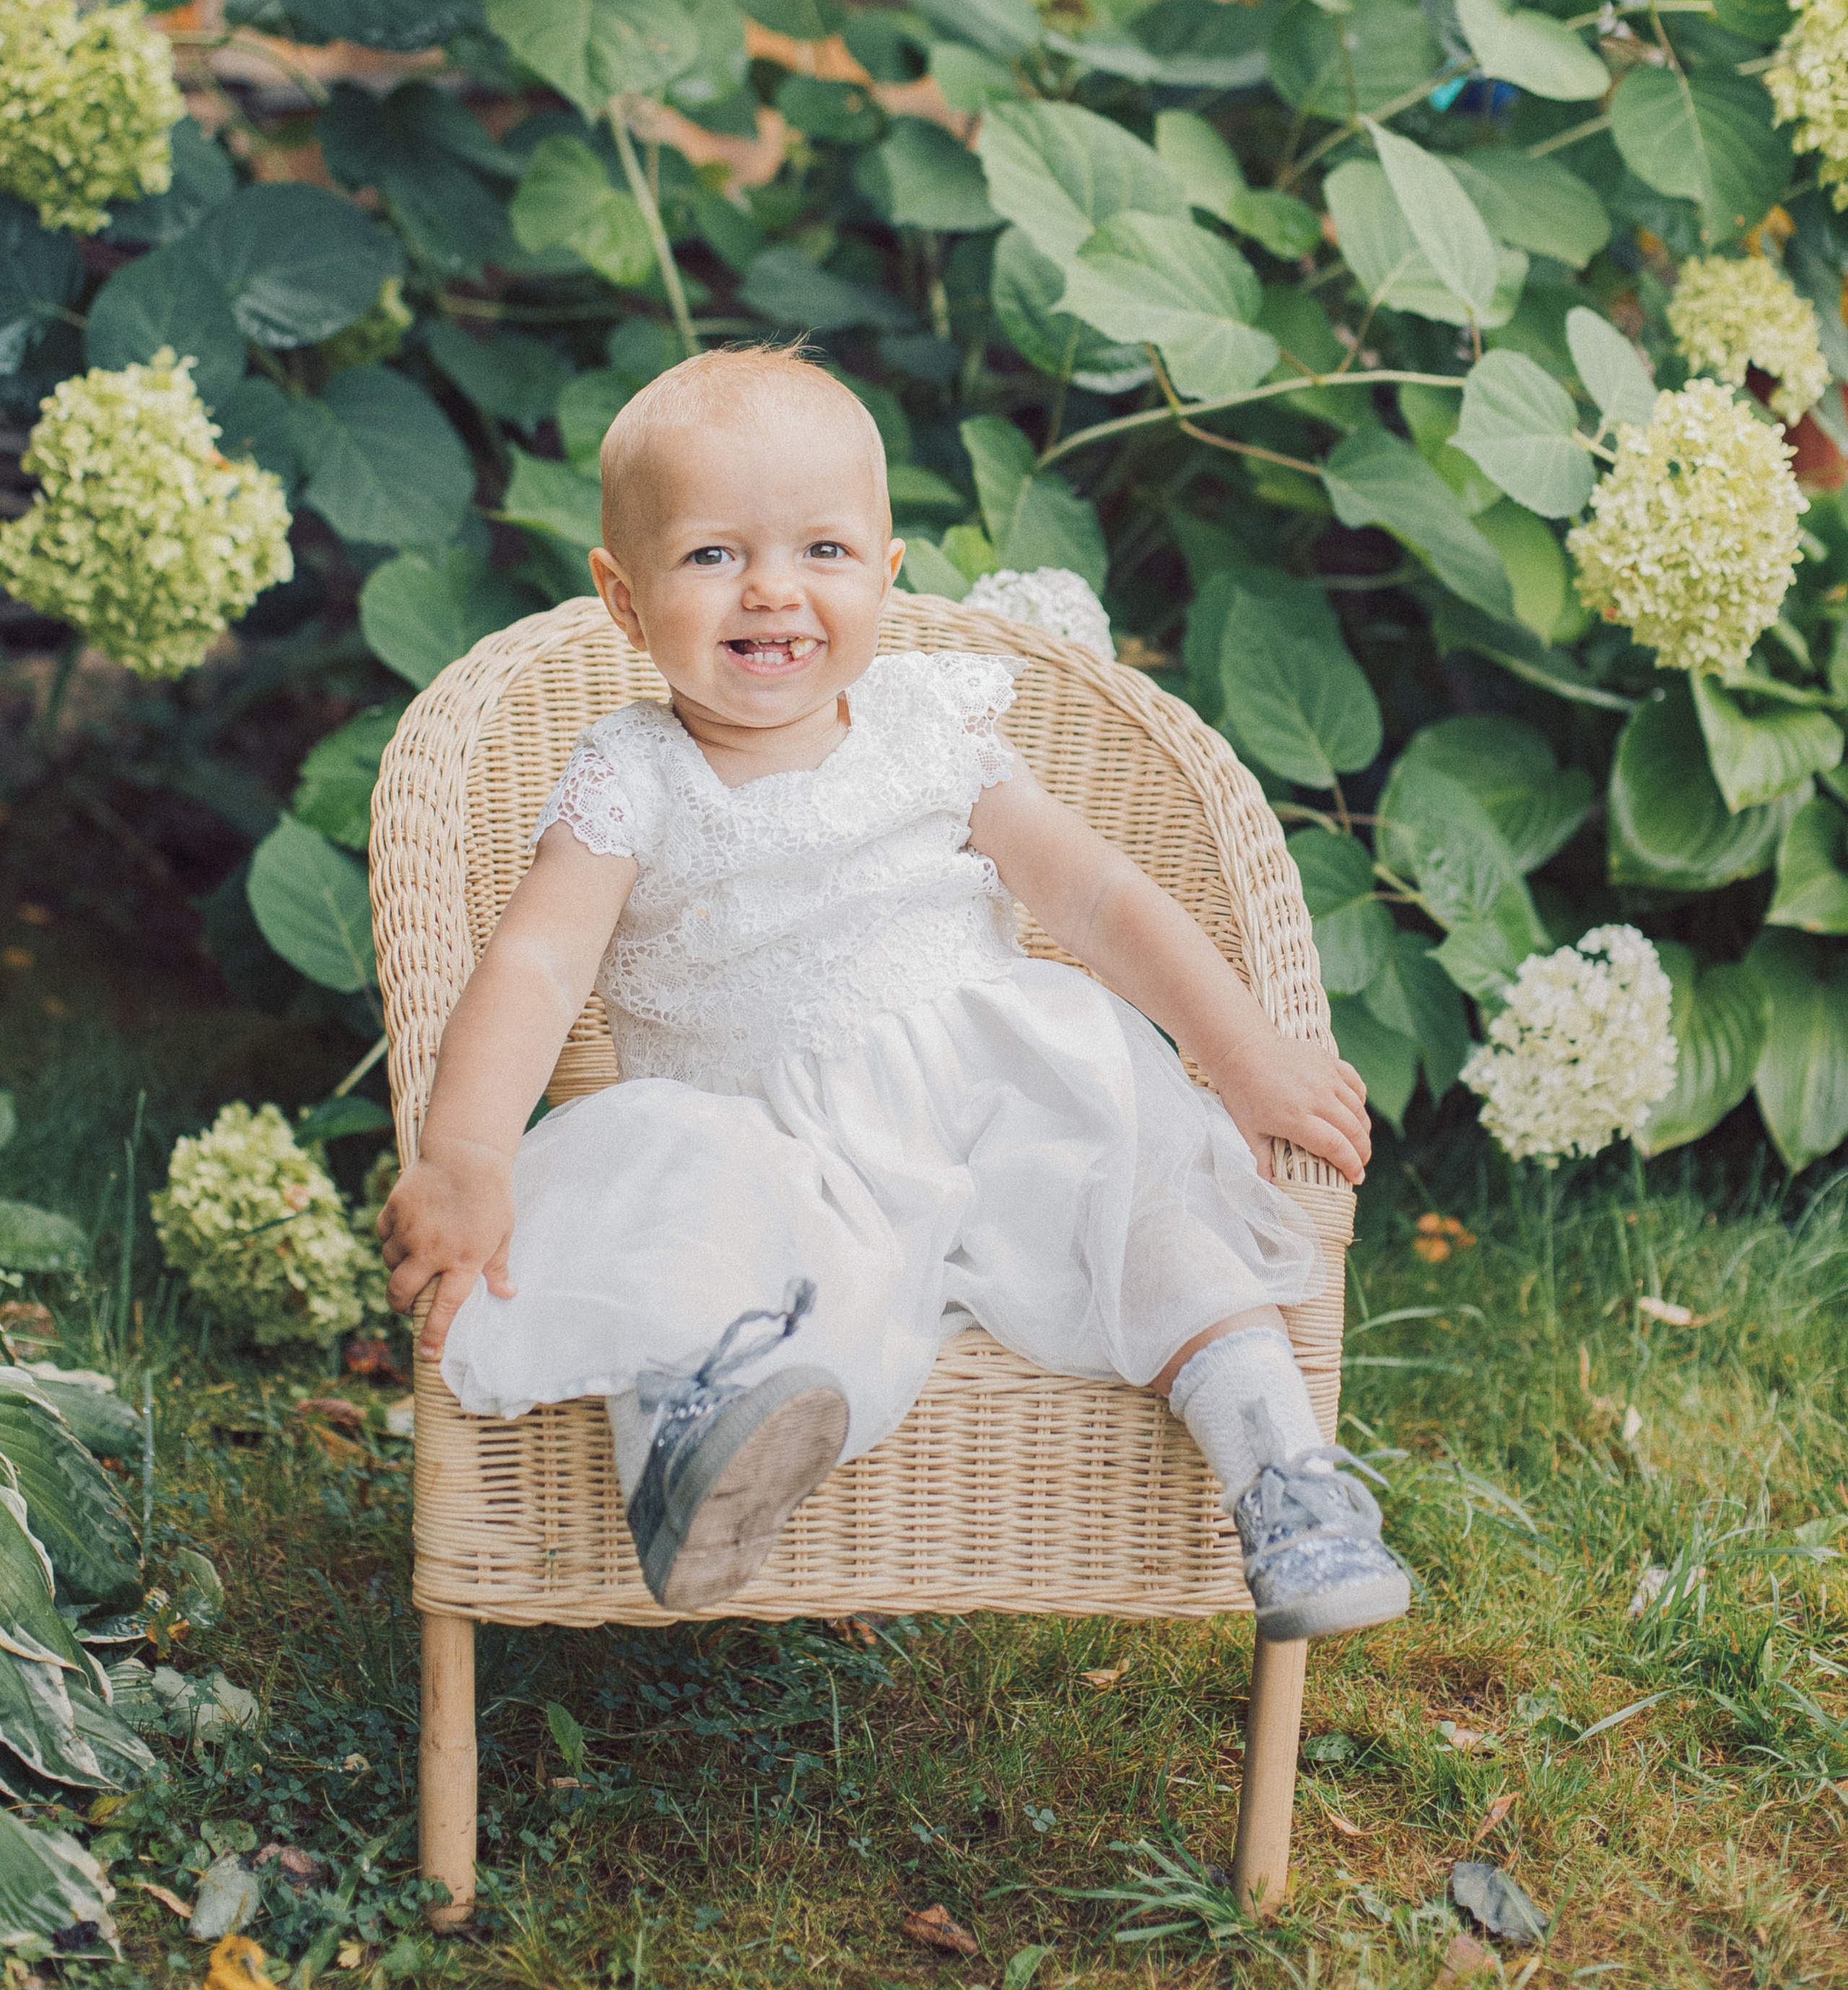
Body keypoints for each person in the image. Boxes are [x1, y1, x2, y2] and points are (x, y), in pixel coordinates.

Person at [378, 345, 1407, 1640]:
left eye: (823, 551)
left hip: (995, 1096)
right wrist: (467, 1152)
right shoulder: (629, 773)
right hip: (772, 1148)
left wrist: (1245, 1055)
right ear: (624, 602)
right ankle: (704, 1458)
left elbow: (1097, 900)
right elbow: (534, 964)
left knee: (1152, 1217)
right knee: (678, 1215)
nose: (772, 591)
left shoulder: (931, 725)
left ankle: (1285, 1485)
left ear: (887, 575)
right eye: (711, 557)